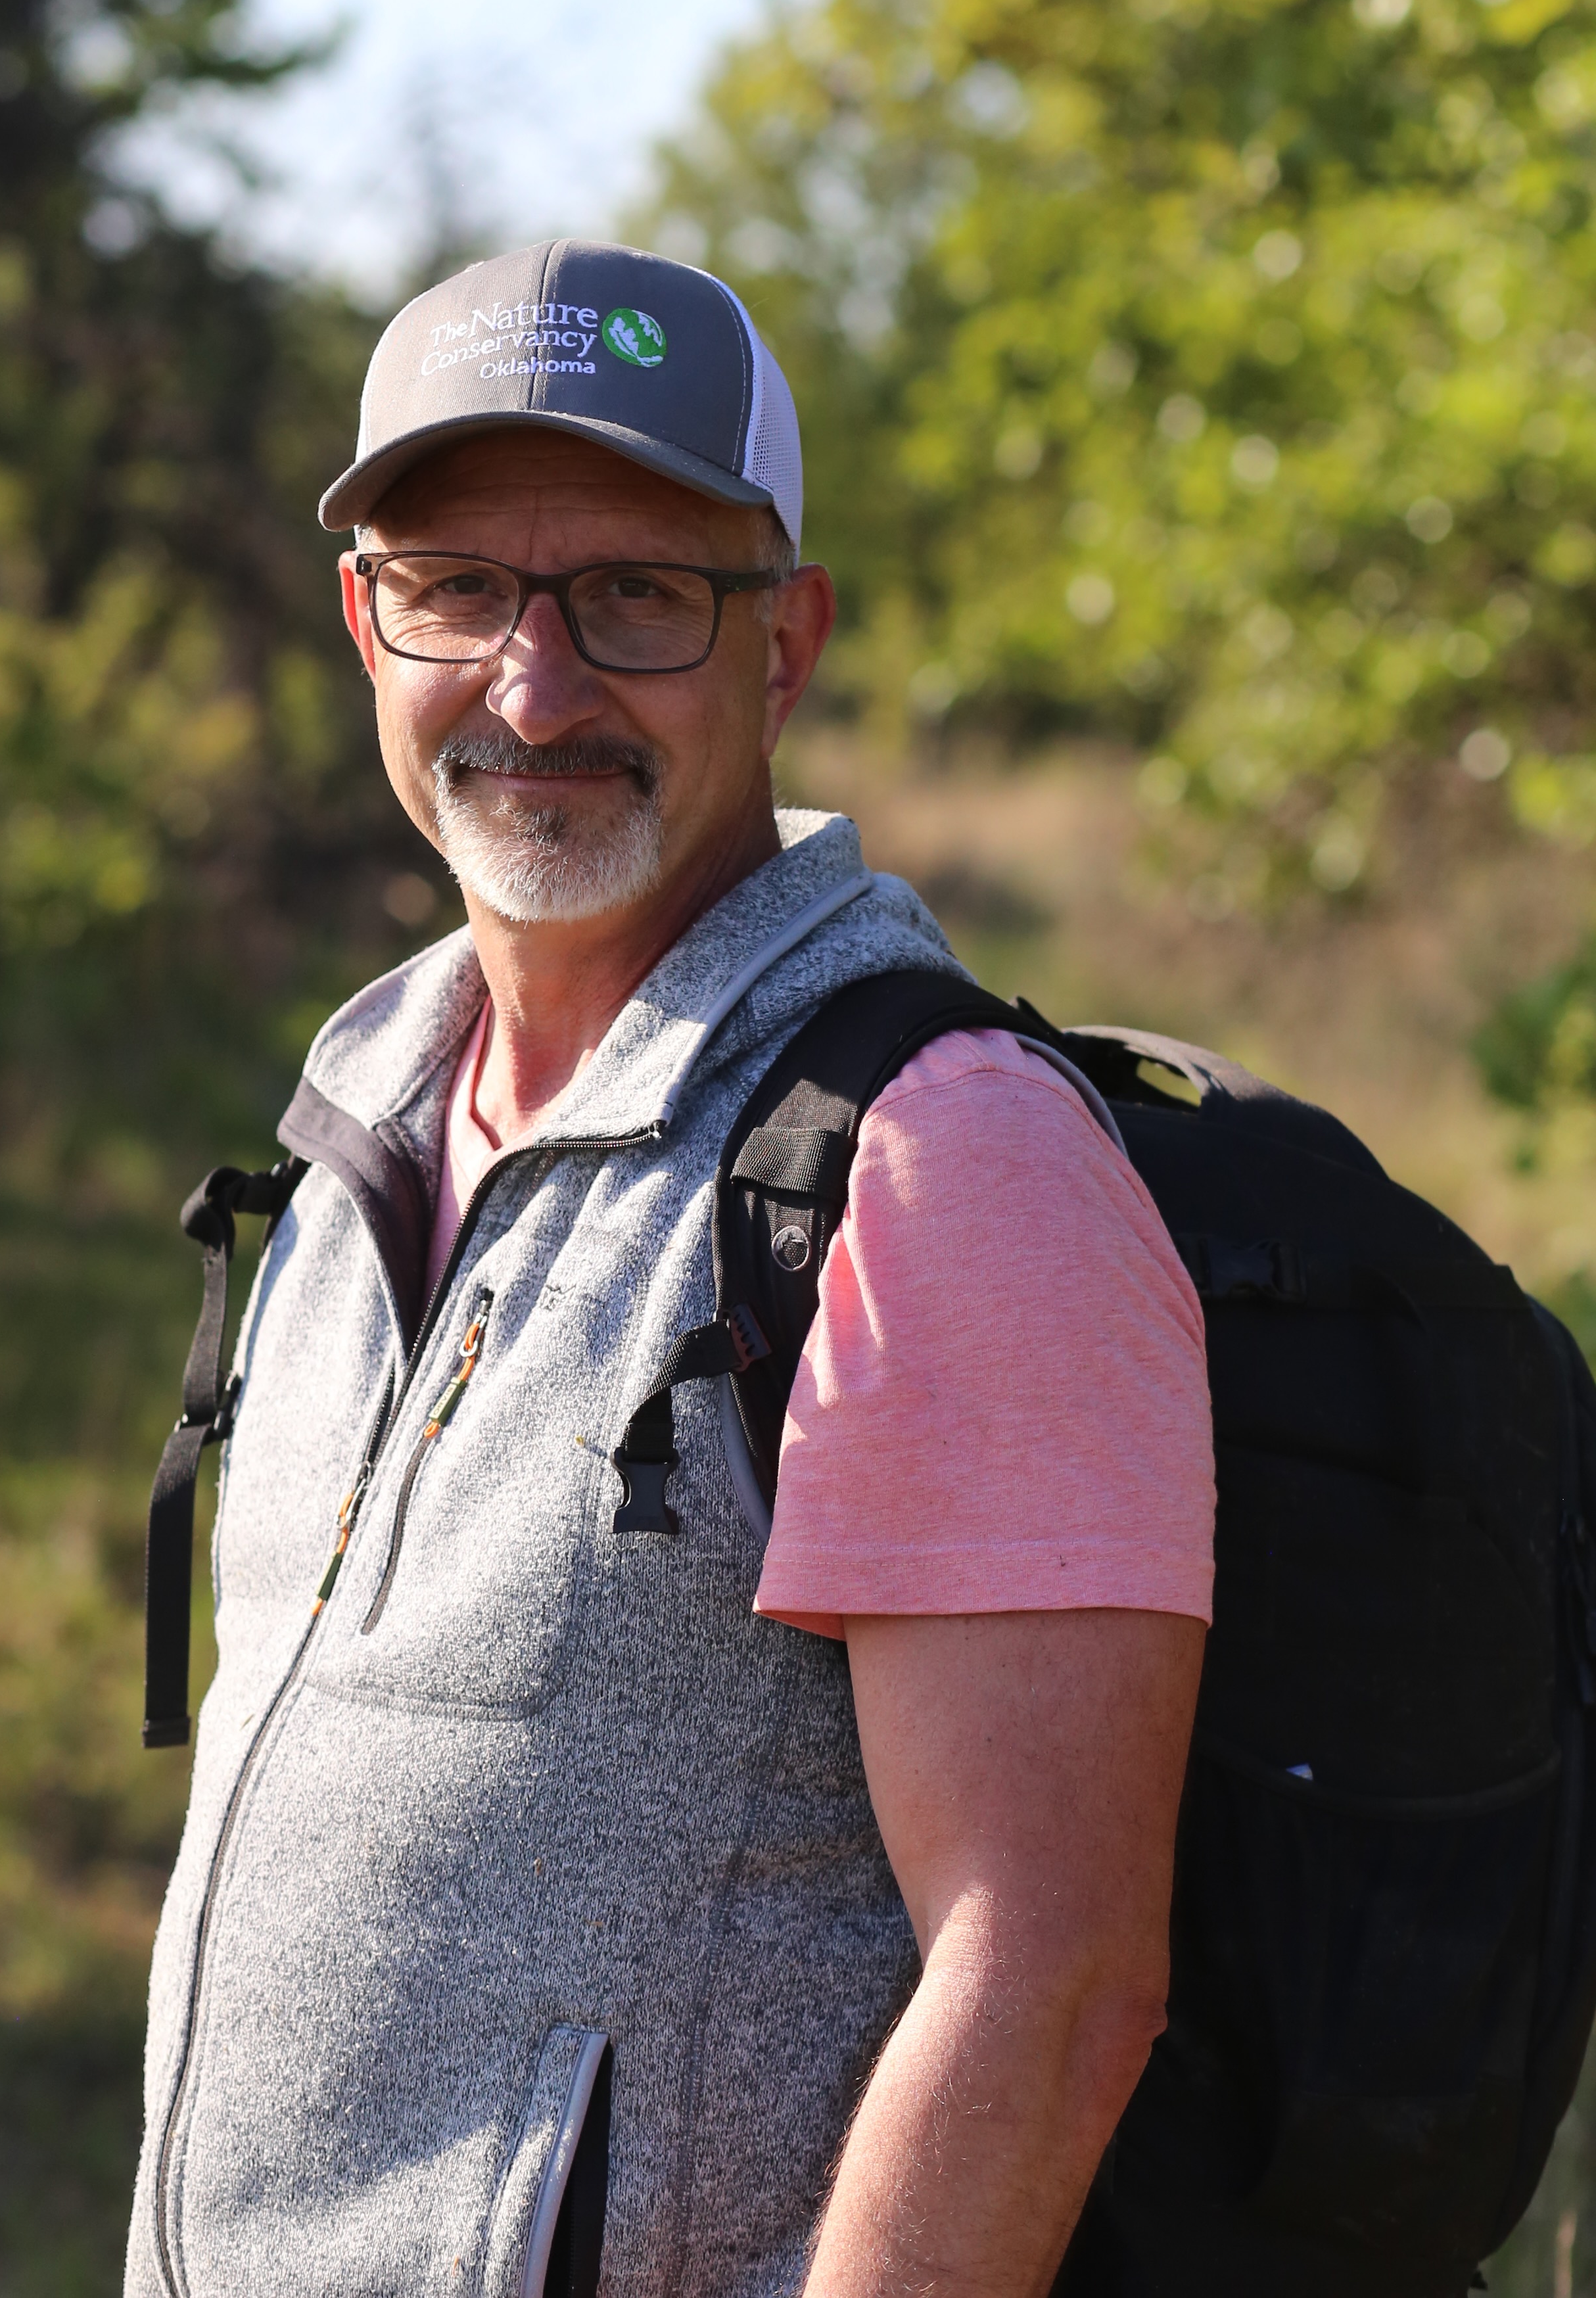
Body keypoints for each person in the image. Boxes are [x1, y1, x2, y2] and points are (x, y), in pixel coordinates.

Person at [129, 240, 1213, 2298]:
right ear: (368, 620)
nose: (536, 686)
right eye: (459, 586)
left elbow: (1055, 1986)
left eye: (638, 592)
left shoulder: (936, 1159)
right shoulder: (364, 1111)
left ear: (781, 641)